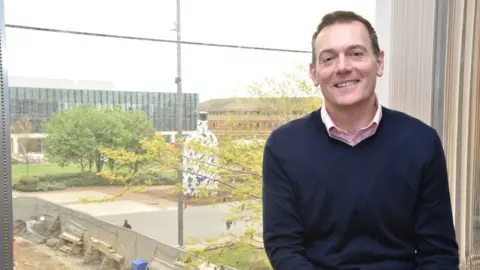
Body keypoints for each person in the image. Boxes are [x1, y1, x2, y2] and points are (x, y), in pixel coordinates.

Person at [262, 10, 459, 270]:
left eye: (356, 53)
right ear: (314, 73)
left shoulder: (421, 141)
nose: (343, 67)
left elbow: (439, 252)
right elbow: (284, 248)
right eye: (329, 58)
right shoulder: (283, 146)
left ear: (379, 62)